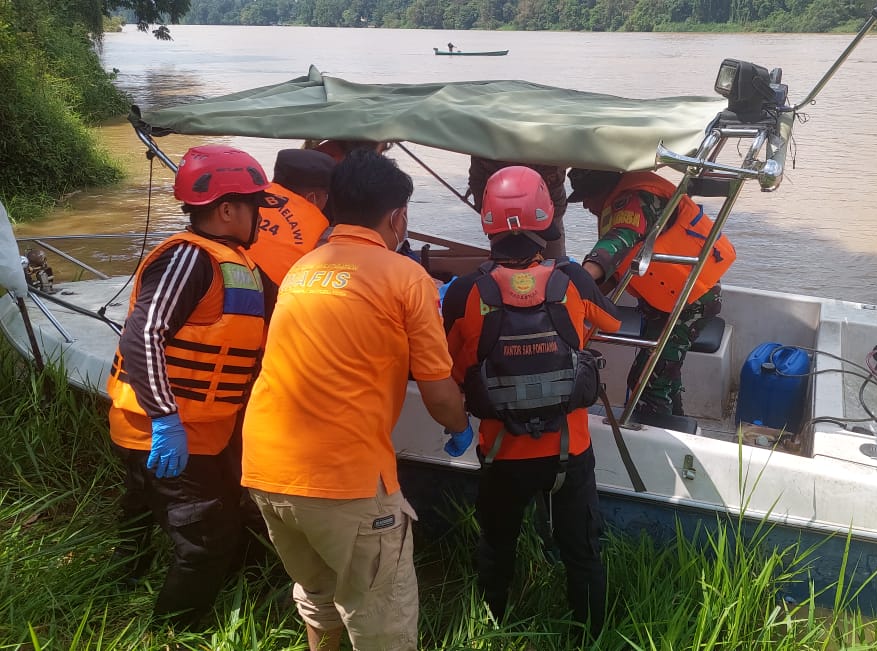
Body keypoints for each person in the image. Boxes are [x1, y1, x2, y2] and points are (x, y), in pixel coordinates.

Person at [241, 149, 472, 651]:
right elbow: (437, 390)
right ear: (397, 217)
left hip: (266, 469)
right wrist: (460, 427)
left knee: (320, 595)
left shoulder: (302, 269)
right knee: (381, 618)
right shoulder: (404, 276)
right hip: (346, 480)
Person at [106, 144, 284, 628]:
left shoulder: (237, 263)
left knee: (143, 510)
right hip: (164, 428)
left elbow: (286, 308)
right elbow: (145, 332)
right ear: (227, 209)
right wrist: (165, 417)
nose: (260, 220)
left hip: (199, 430)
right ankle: (173, 631)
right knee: (207, 539)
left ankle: (119, 586)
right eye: (254, 207)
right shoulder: (188, 258)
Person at [442, 166, 621, 636]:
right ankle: (591, 636)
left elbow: (453, 366)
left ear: (486, 221)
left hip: (502, 454)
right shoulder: (574, 280)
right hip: (569, 452)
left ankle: (492, 626)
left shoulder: (464, 293)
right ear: (547, 220)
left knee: (496, 546)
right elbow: (613, 324)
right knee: (582, 553)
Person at [567, 168, 735, 421]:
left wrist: (571, 284)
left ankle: (655, 434)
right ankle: (675, 419)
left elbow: (616, 243)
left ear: (604, 189)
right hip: (668, 300)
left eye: (587, 197)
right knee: (663, 371)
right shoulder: (627, 196)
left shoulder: (634, 200)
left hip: (690, 302)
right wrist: (578, 301)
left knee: (647, 380)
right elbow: (613, 273)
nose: (586, 206)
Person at [245, 148, 335, 287]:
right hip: (273, 304)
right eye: (326, 196)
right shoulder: (322, 236)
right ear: (312, 198)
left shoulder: (245, 200)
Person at [468, 157, 568, 259]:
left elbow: (477, 181)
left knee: (554, 258)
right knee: (555, 260)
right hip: (503, 208)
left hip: (505, 208)